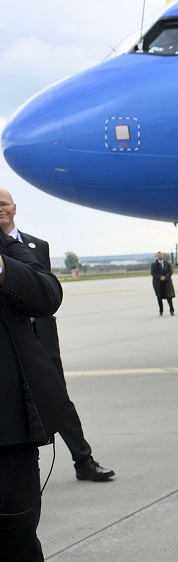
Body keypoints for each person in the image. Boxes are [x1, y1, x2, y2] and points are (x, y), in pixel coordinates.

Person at [0, 188, 115, 485]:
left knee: (57, 397)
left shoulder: (38, 245)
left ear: (15, 208)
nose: (1, 209)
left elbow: (45, 291)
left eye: (4, 204)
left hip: (42, 338)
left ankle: (83, 460)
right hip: (10, 339)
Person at [0, 227, 68, 560]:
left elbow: (48, 293)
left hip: (9, 438)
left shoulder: (5, 245)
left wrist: (2, 268)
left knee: (18, 538)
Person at [151, 251, 175, 316]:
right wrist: (160, 277)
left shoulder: (167, 264)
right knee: (159, 297)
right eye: (158, 255)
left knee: (169, 297)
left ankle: (171, 310)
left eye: (161, 255)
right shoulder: (154, 265)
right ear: (157, 256)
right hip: (158, 283)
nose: (160, 256)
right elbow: (153, 273)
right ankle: (161, 311)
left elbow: (171, 272)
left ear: (163, 256)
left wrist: (165, 277)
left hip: (167, 282)